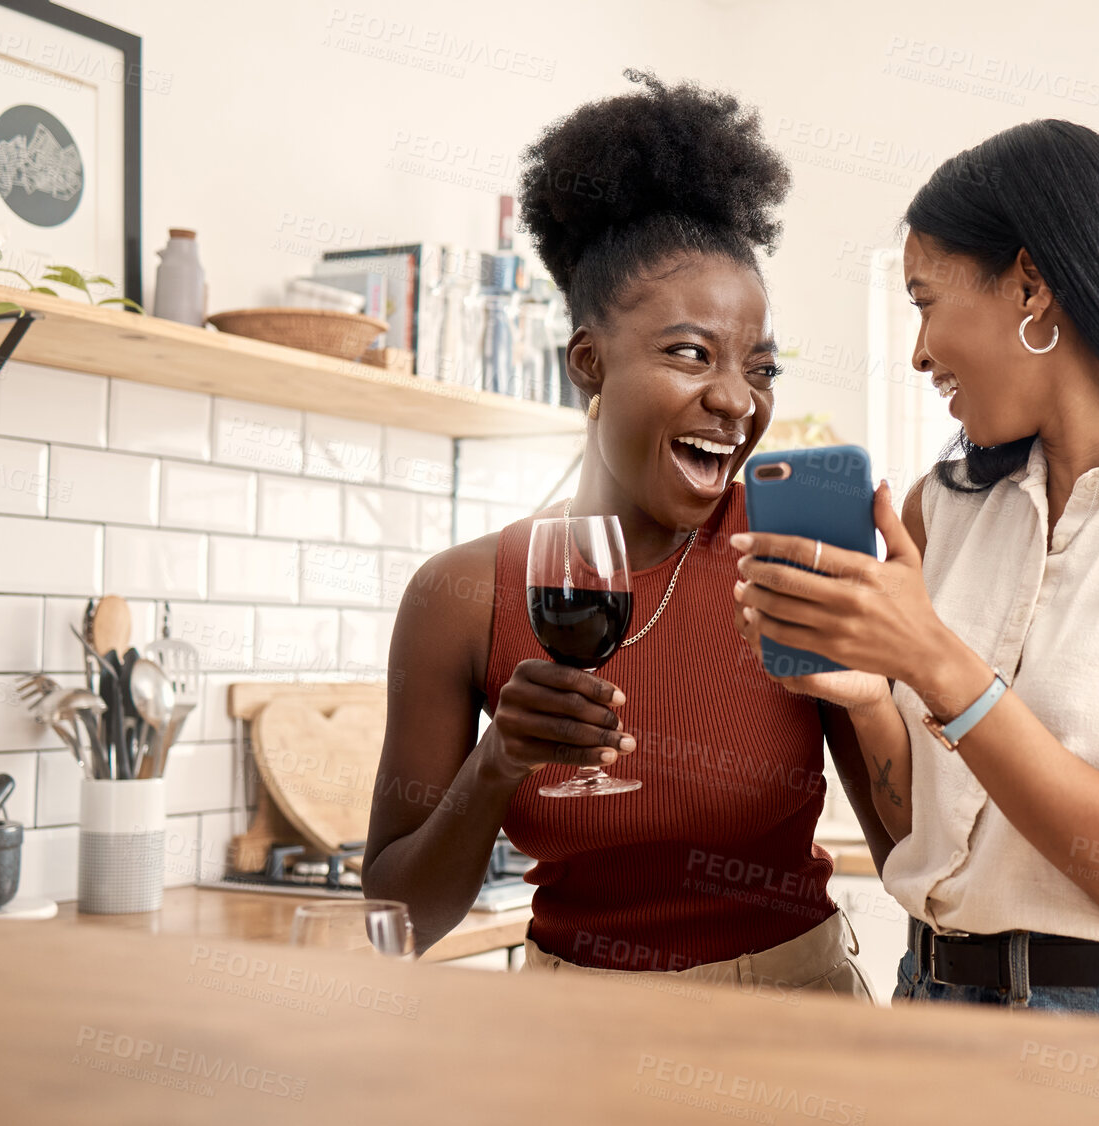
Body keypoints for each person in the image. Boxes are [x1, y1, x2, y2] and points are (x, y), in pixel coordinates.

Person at [732, 118, 1099, 1028]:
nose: (918, 352)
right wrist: (860, 700)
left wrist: (934, 661)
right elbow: (914, 841)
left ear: (1031, 284)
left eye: (926, 302)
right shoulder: (946, 508)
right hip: (931, 998)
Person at [362, 71, 885, 999]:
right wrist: (495, 767)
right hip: (569, 1039)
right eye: (691, 353)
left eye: (759, 367)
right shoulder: (463, 594)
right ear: (589, 362)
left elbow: (915, 858)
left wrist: (891, 683)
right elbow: (398, 924)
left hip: (796, 1027)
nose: (736, 400)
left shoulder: (795, 558)